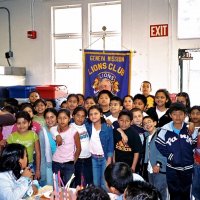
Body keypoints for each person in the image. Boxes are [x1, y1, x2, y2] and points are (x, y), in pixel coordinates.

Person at [155, 102, 197, 200]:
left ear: (185, 115)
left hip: (188, 168)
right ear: (170, 115)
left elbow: (195, 144)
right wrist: (170, 156)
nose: (177, 117)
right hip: (172, 169)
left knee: (186, 194)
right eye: (174, 114)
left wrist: (190, 156)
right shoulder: (165, 130)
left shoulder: (190, 129)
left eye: (180, 114)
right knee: (173, 194)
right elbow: (159, 144)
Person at [7, 111, 41, 180]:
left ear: (29, 123)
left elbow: (38, 153)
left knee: (31, 186)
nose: (21, 126)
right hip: (15, 167)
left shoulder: (33, 135)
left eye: (24, 123)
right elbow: (9, 156)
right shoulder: (11, 137)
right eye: (19, 123)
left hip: (30, 166)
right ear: (16, 124)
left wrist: (37, 170)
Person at [51, 109, 81, 185]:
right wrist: (57, 135)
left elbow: (78, 148)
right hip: (56, 162)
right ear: (57, 119)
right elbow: (52, 129)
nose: (62, 120)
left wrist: (73, 161)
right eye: (59, 118)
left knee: (69, 186)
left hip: (69, 163)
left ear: (69, 119)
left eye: (65, 118)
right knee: (57, 186)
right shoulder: (54, 130)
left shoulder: (74, 132)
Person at [86, 105, 114, 190]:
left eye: (96, 113)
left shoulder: (107, 127)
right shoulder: (88, 126)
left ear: (101, 114)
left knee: (104, 183)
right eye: (91, 114)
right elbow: (75, 120)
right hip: (93, 158)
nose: (93, 116)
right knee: (95, 183)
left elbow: (110, 144)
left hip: (104, 158)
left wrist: (109, 159)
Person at [143, 116, 168, 200]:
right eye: (145, 123)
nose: (147, 124)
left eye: (149, 121)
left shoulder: (161, 134)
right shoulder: (146, 136)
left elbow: (164, 151)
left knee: (160, 191)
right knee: (153, 191)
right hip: (150, 168)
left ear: (154, 123)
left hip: (159, 168)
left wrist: (158, 164)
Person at [71, 106, 93, 187]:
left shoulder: (87, 125)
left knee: (89, 180)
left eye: (83, 116)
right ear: (73, 116)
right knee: (77, 182)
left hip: (88, 158)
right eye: (78, 115)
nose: (80, 118)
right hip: (77, 159)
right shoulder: (70, 126)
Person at [39, 108, 57, 186]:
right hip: (49, 164)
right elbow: (42, 153)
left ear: (56, 117)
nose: (49, 120)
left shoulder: (62, 129)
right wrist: (42, 171)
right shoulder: (42, 132)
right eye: (47, 117)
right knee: (50, 187)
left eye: (52, 117)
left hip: (62, 163)